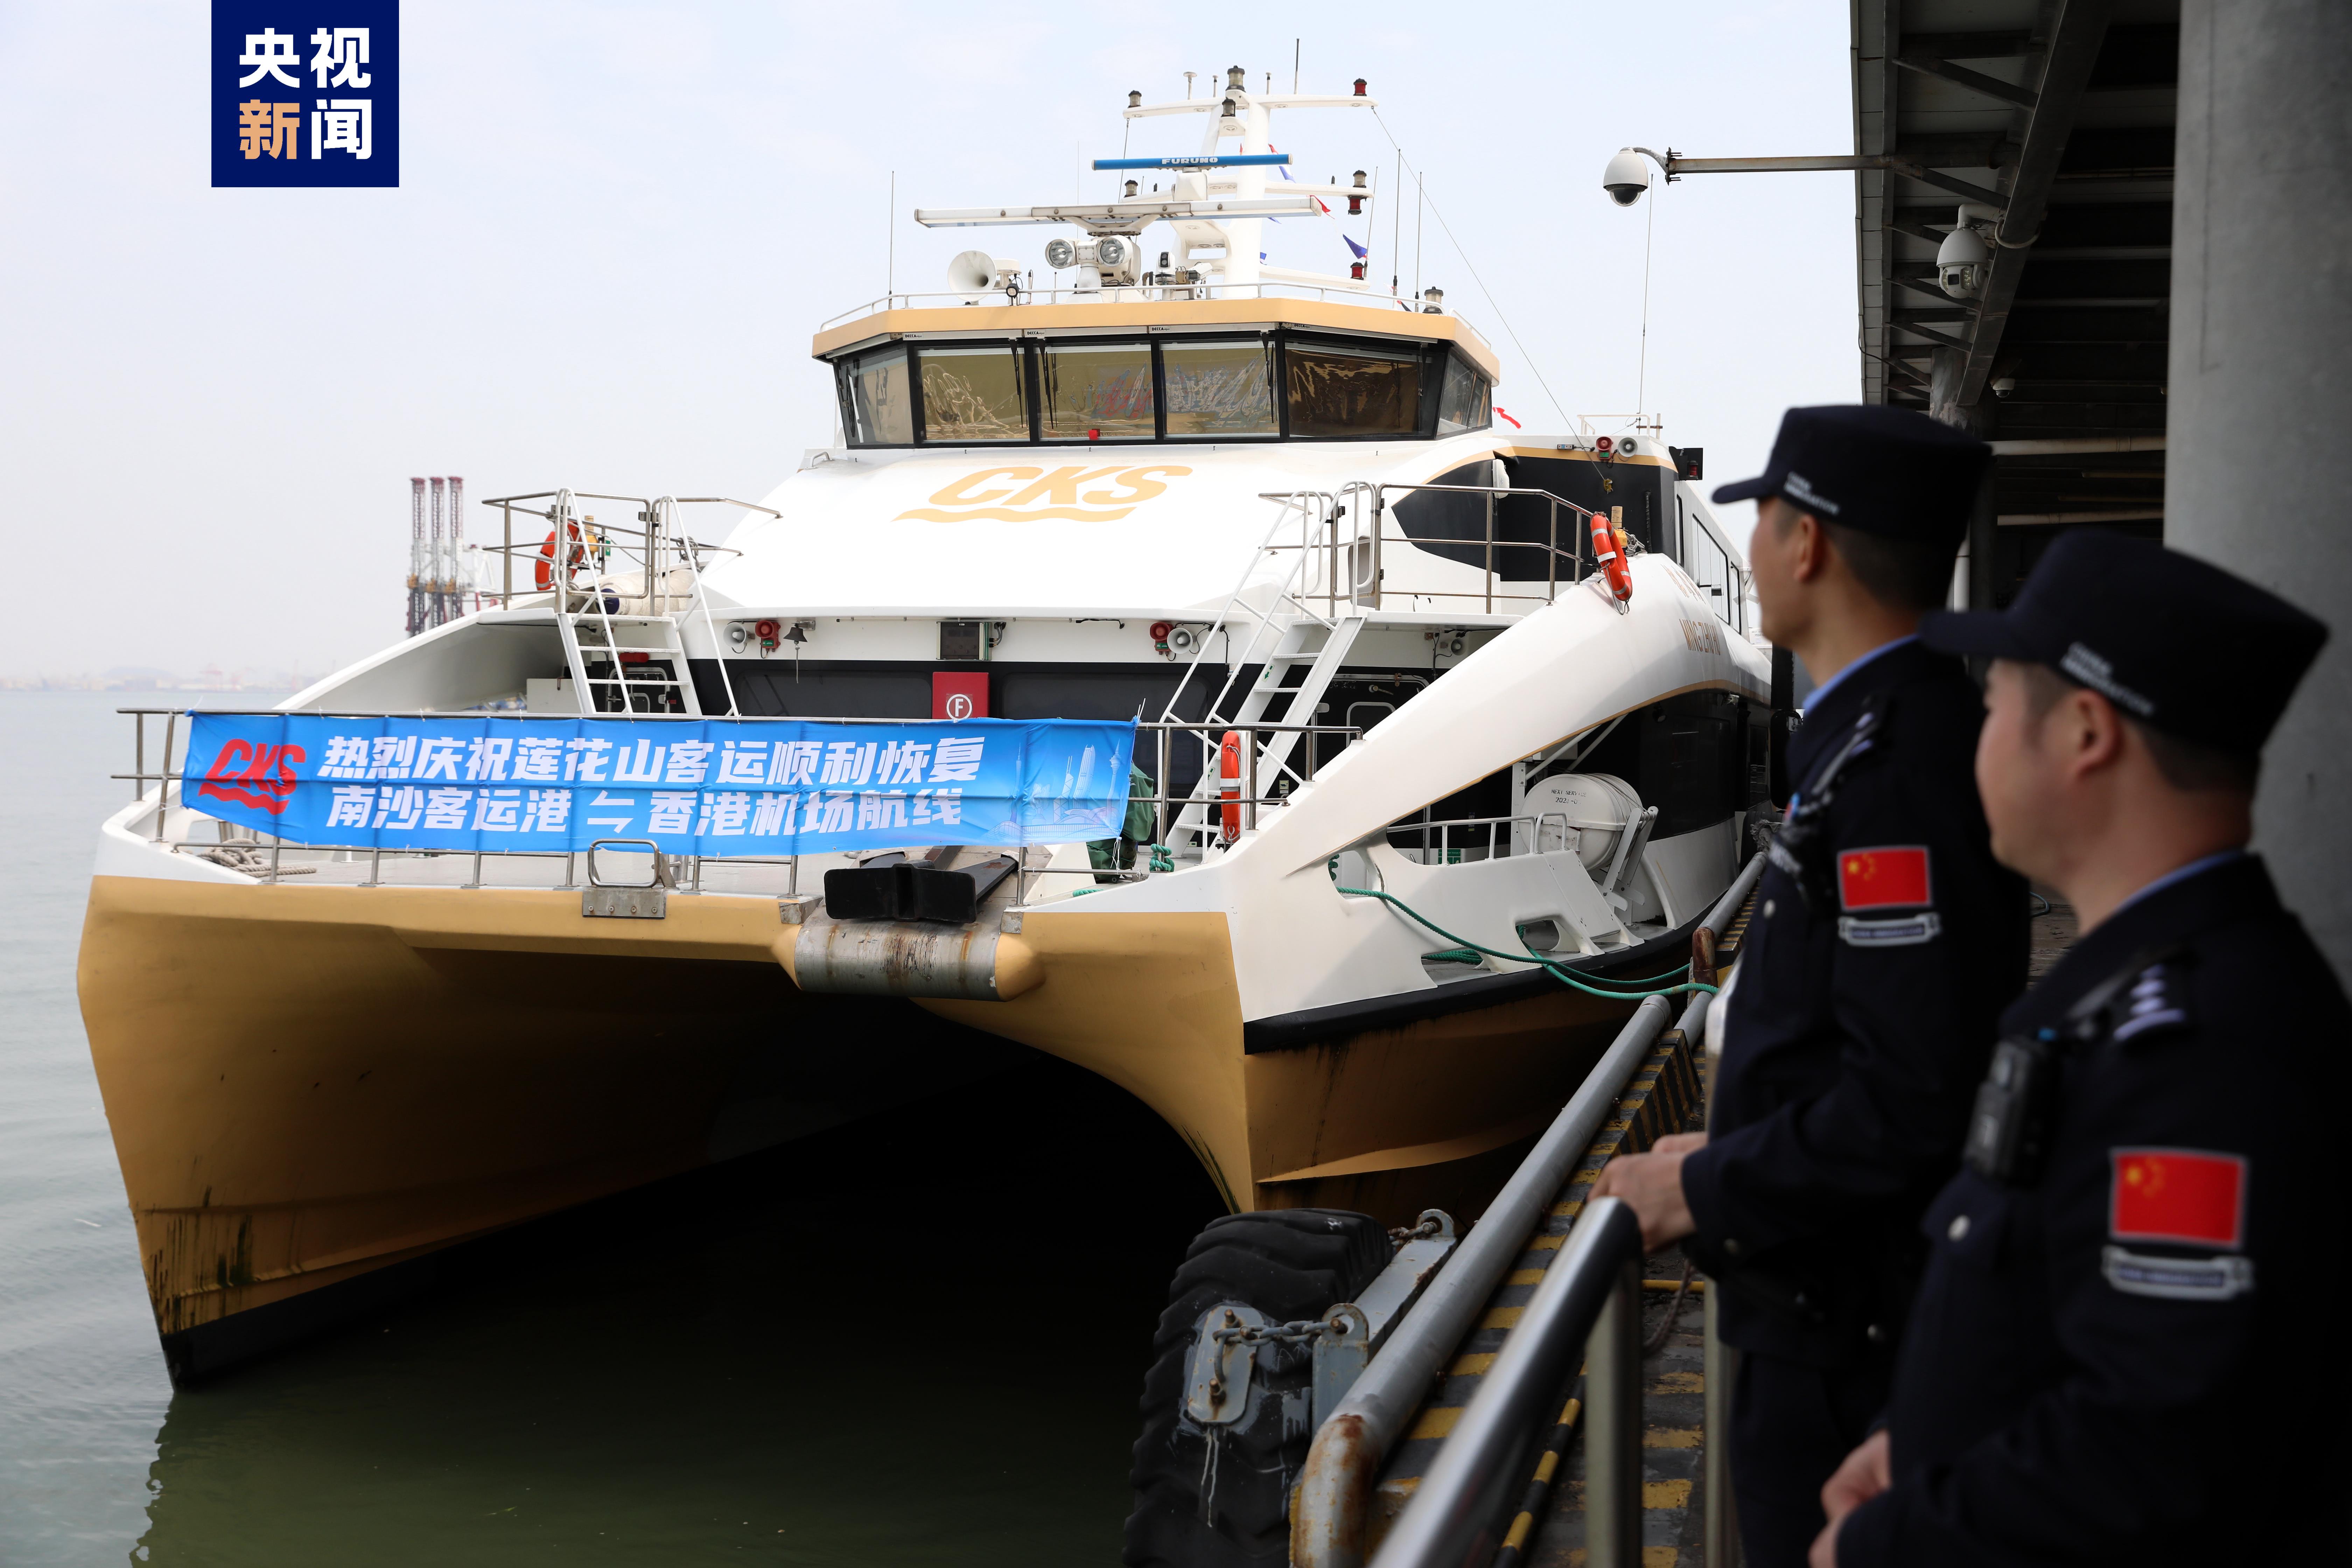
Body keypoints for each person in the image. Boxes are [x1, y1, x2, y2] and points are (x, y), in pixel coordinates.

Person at [1810, 530, 2344, 1566]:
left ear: (2086, 733)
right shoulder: (2139, 996)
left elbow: (2154, 1453)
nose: (1976, 736)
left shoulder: (2200, 1053)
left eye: (1996, 703)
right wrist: (1917, 1441)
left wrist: (1888, 1542)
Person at [1592, 405, 2029, 1567]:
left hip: (1842, 1332)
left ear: (1809, 542)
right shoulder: (1880, 740)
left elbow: (1913, 1093)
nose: (1752, 549)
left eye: (1764, 518)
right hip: (1833, 1299)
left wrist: (1707, 1184)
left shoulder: (1894, 770)